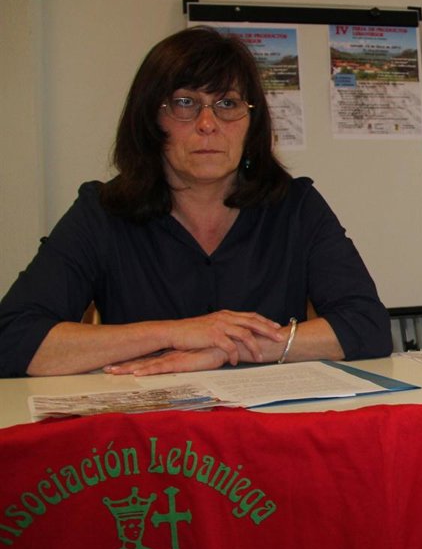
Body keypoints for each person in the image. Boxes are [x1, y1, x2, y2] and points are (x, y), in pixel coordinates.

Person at [0, 27, 392, 377]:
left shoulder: (296, 206)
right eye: (185, 103)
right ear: (151, 121)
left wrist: (228, 349)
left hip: (267, 425)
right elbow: (12, 338)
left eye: (228, 104)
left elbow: (367, 326)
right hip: (150, 429)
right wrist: (175, 333)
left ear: (251, 123)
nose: (208, 124)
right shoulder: (102, 212)